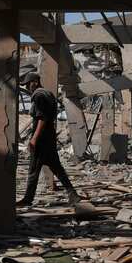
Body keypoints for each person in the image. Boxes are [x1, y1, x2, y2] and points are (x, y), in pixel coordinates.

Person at [15, 70, 80, 209]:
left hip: (42, 139)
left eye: (28, 84)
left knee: (33, 169)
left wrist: (34, 139)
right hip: (49, 137)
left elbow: (42, 118)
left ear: (35, 82)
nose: (27, 88)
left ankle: (28, 199)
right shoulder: (48, 94)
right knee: (57, 168)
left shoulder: (39, 96)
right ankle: (73, 194)